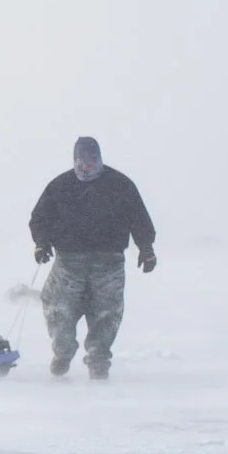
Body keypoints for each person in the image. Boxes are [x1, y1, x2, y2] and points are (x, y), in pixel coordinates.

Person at [27, 135, 157, 379]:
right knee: (59, 310)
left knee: (106, 314)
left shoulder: (120, 185)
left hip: (109, 262)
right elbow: (40, 218)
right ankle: (63, 352)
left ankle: (98, 362)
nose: (88, 165)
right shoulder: (60, 185)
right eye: (83, 160)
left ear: (99, 158)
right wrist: (41, 243)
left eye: (93, 160)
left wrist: (146, 248)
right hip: (69, 261)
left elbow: (139, 217)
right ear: (76, 160)